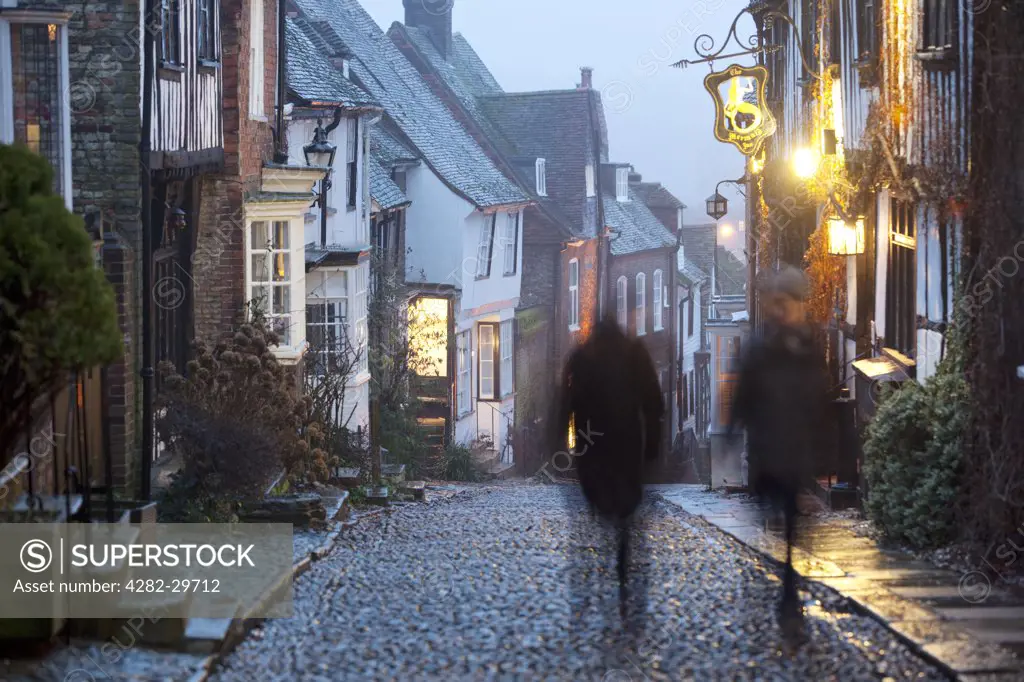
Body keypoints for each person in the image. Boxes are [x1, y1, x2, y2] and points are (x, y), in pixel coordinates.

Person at [728, 266, 831, 646]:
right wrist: (735, 429)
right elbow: (743, 397)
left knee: (791, 529)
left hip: (795, 452)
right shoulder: (761, 348)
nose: (790, 310)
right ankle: (777, 589)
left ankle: (788, 598)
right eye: (785, 303)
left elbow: (819, 400)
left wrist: (821, 446)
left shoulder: (806, 346)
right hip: (768, 451)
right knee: (773, 519)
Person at [554, 314, 664, 627]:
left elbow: (566, 404)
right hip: (627, 448)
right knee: (626, 514)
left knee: (601, 507)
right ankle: (623, 565)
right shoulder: (634, 354)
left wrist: (559, 442)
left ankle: (603, 564)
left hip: (591, 452)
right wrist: (652, 447)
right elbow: (654, 403)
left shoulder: (581, 357)